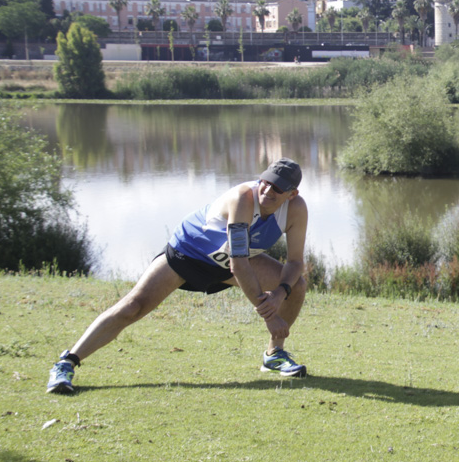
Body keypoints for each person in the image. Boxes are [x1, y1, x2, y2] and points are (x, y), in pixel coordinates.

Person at [46, 158, 310, 394]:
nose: (267, 190)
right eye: (265, 182)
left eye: (277, 188)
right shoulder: (243, 198)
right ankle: (66, 362)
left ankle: (274, 355)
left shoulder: (296, 209)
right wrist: (270, 314)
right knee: (132, 307)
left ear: (291, 193)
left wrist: (279, 293)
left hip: (228, 261)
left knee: (296, 284)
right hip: (188, 254)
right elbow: (238, 265)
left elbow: (296, 262)